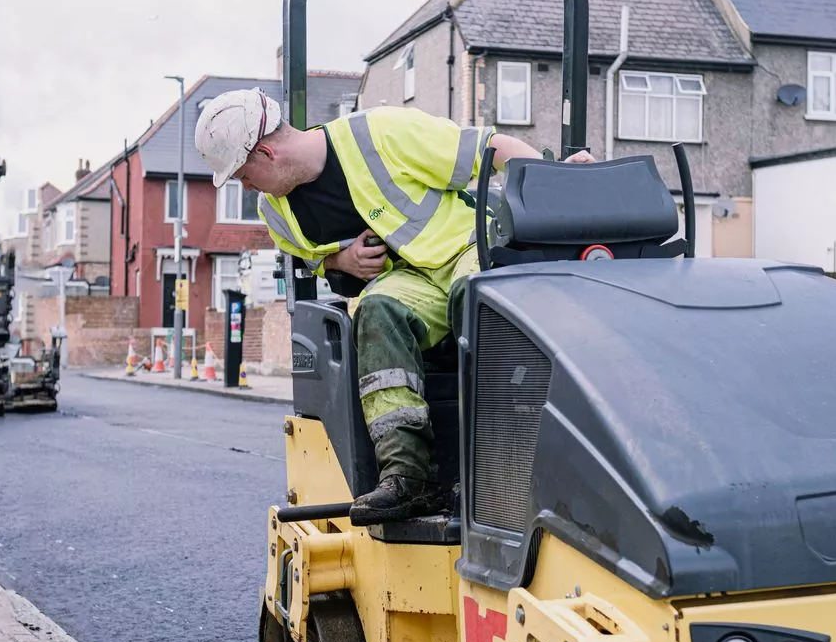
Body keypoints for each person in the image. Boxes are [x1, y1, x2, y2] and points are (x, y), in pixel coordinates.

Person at [193, 88, 593, 524]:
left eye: (243, 176)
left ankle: (497, 469)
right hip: (409, 281)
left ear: (267, 153)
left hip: (464, 249)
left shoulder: (380, 134)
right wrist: (340, 261)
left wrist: (555, 181)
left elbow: (489, 149)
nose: (245, 187)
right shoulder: (275, 210)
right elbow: (309, 258)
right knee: (376, 308)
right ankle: (408, 477)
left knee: (476, 296)